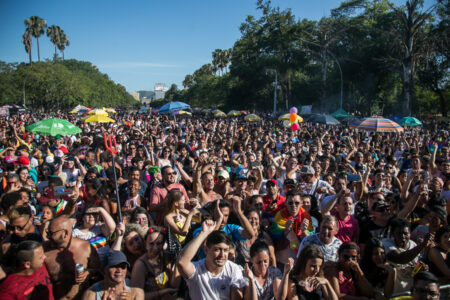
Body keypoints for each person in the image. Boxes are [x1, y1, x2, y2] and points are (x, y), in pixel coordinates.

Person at [177, 220, 248, 299]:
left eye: (225, 250)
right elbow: (181, 262)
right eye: (217, 250)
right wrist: (204, 233)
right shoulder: (196, 269)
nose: (222, 255)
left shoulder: (233, 269)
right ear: (206, 250)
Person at [44, 215, 101, 300]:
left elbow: (100, 272)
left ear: (65, 233)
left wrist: (88, 273)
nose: (47, 236)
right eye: (47, 232)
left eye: (51, 233)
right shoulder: (43, 250)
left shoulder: (86, 248)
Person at [382, 217, 434, 294]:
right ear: (393, 233)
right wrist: (422, 246)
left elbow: (413, 271)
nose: (403, 236)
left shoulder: (413, 245)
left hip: (410, 293)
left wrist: (421, 268)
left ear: (410, 233)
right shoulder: (386, 243)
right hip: (394, 295)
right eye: (399, 233)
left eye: (405, 233)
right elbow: (400, 258)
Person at [130, 227, 179, 299]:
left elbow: (175, 287)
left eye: (159, 243)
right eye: (151, 244)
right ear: (145, 244)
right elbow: (135, 296)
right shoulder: (140, 265)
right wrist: (161, 293)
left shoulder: (166, 257)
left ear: (164, 244)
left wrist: (174, 271)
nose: (155, 248)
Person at [270, 189, 313, 265]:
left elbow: (311, 239)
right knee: (290, 235)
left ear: (301, 203)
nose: (293, 206)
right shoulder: (280, 215)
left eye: (296, 203)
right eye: (290, 203)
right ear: (286, 203)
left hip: (301, 248)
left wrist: (304, 231)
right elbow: (274, 237)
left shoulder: (305, 216)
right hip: (284, 251)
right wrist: (286, 230)